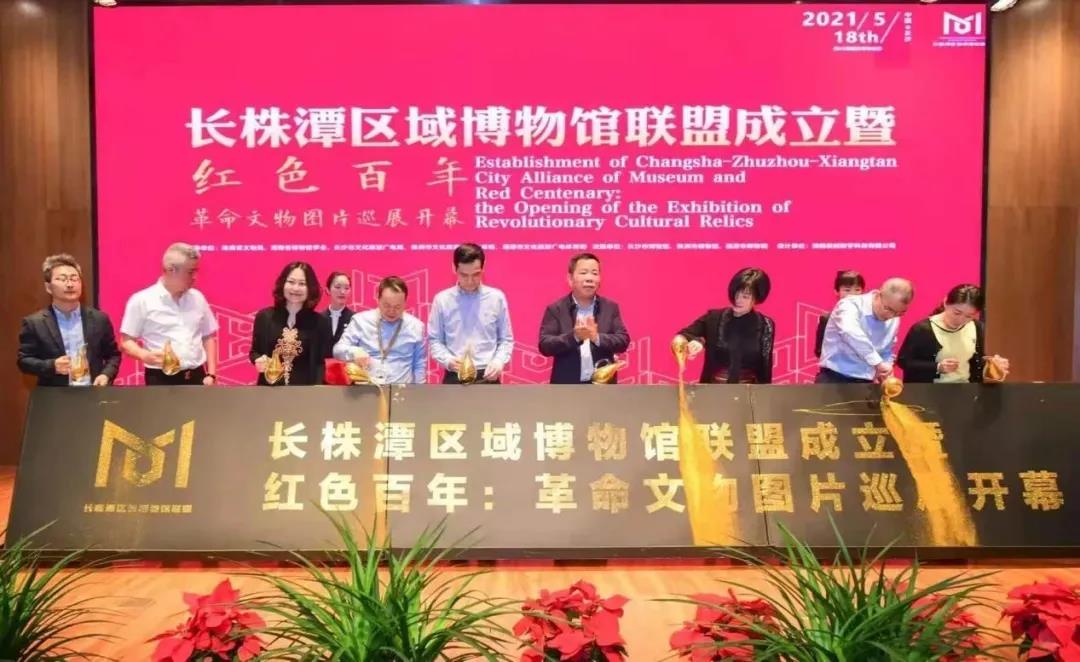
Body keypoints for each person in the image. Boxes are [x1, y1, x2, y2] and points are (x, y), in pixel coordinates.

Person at [120, 243, 219, 386]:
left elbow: (208, 336)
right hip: (161, 377)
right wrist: (144, 355)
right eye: (190, 272)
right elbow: (126, 342)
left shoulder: (197, 298)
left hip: (198, 376)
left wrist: (211, 373)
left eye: (196, 271)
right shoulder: (142, 300)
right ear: (171, 269)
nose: (195, 277)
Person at [17, 253, 121, 387]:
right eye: (62, 279)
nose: (70, 284)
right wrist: (52, 366)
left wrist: (105, 375)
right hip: (55, 394)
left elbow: (113, 355)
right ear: (48, 287)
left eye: (74, 279)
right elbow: (24, 361)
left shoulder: (99, 319)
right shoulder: (35, 323)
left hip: (93, 392)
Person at [538, 253, 631, 384]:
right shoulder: (556, 309)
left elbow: (623, 341)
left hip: (603, 387)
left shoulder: (610, 307)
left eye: (594, 273)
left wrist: (596, 337)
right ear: (570, 279)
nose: (590, 278)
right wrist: (574, 337)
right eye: (583, 273)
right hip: (566, 387)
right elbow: (545, 345)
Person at [428, 243, 514, 383]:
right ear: (454, 268)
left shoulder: (496, 298)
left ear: (483, 268)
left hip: (487, 375)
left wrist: (498, 362)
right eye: (464, 275)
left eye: (476, 274)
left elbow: (505, 339)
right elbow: (435, 340)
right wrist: (448, 360)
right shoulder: (442, 300)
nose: (470, 281)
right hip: (455, 373)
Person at [674, 268, 775, 384]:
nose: (738, 300)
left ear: (756, 299)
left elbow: (765, 369)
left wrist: (766, 394)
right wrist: (696, 343)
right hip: (714, 389)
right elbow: (682, 336)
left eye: (745, 296)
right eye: (736, 293)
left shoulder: (766, 325)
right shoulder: (713, 318)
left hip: (750, 391)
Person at [897, 284, 1010, 383]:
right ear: (946, 302)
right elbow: (904, 361)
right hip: (931, 391)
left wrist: (992, 364)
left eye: (969, 316)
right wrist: (937, 367)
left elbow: (976, 362)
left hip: (966, 388)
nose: (961, 320)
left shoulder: (976, 327)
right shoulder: (923, 329)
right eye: (957, 313)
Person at [817, 277, 913, 384]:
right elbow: (851, 333)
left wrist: (886, 368)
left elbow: (887, 349)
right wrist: (878, 363)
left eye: (900, 313)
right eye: (888, 309)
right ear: (878, 295)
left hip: (866, 380)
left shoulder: (894, 318)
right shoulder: (849, 305)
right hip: (834, 378)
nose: (891, 316)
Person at [250, 262, 333, 386]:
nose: (295, 288)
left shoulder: (320, 322)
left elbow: (321, 364)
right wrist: (258, 360)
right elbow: (254, 352)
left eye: (302, 284)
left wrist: (317, 392)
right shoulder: (265, 317)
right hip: (268, 390)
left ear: (310, 288)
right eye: (291, 282)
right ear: (283, 284)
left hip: (305, 392)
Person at [333, 276, 426, 384]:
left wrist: (419, 390)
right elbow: (337, 350)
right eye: (387, 305)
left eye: (397, 307)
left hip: (402, 389)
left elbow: (419, 365)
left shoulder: (416, 327)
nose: (391, 311)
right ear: (378, 298)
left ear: (405, 302)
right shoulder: (360, 321)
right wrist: (354, 352)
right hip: (366, 389)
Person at [815, 270, 865, 358]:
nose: (853, 294)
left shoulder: (869, 318)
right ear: (837, 292)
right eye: (847, 290)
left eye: (857, 290)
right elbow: (819, 351)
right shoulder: (826, 319)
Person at [324, 271, 355, 346]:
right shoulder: (318, 318)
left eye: (346, 288)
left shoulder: (355, 319)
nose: (342, 292)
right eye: (337, 287)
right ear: (328, 290)